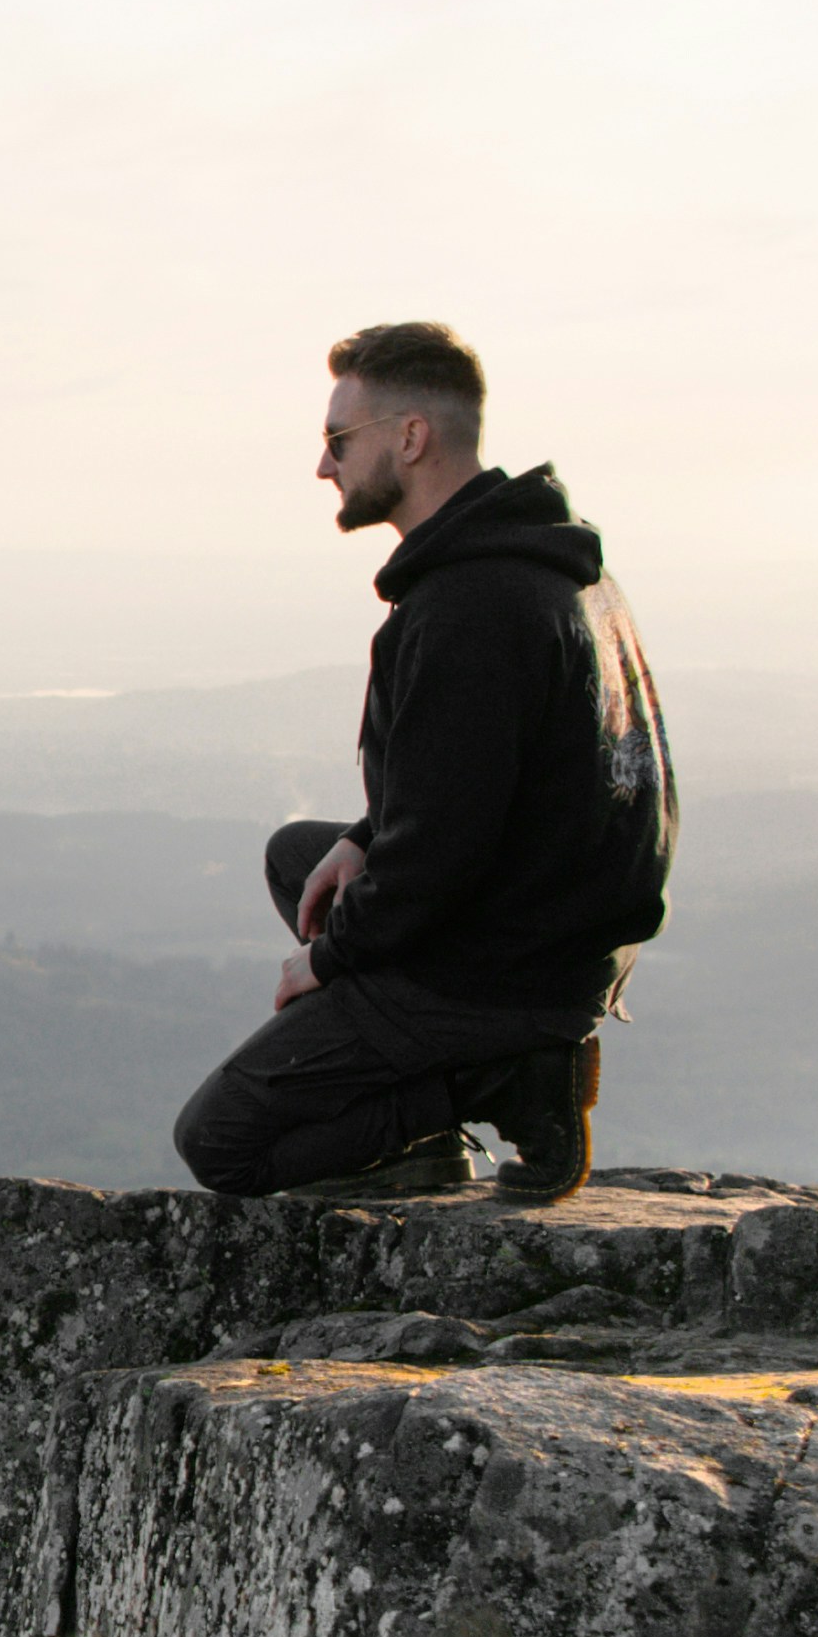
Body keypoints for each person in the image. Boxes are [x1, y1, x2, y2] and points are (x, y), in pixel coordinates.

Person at [171, 321, 676, 1203]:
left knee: (223, 1144)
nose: (323, 466)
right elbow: (490, 769)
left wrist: (330, 962)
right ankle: (432, 1118)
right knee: (300, 860)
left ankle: (499, 1080)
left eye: (338, 439)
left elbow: (442, 850)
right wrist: (366, 837)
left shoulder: (471, 608)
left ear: (410, 437)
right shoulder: (544, 563)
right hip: (559, 926)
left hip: (507, 967)